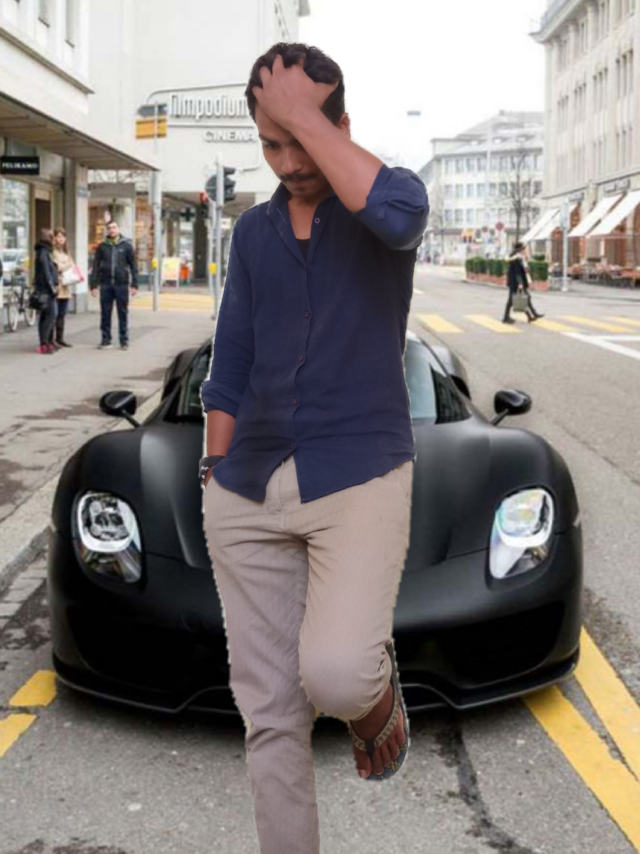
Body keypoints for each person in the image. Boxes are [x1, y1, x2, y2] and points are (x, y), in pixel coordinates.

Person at [200, 43, 429, 854]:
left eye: (302, 138)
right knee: (269, 716)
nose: (290, 163)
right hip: (246, 487)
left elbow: (400, 216)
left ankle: (378, 702)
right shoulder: (252, 234)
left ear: (341, 126)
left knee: (336, 674)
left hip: (358, 474)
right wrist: (213, 471)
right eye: (271, 143)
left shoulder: (386, 201)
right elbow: (230, 360)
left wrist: (302, 114)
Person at [89, 220, 138, 350]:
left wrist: (134, 284)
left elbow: (133, 266)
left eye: (114, 227)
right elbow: (95, 266)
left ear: (118, 229)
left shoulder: (127, 246)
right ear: (107, 230)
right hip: (106, 285)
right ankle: (106, 340)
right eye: (109, 228)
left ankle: (124, 341)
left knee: (123, 313)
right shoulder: (102, 246)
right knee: (105, 313)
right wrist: (93, 285)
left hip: (121, 285)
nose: (112, 230)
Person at [503, 241, 544, 324]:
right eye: (525, 249)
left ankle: (532, 315)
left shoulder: (519, 257)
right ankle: (506, 318)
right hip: (515, 282)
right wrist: (520, 283)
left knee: (525, 298)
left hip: (517, 282)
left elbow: (524, 269)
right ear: (521, 249)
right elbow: (517, 272)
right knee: (513, 300)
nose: (526, 250)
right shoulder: (516, 258)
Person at [33, 229, 59, 355]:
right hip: (46, 290)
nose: (54, 240)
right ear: (48, 238)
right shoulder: (43, 252)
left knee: (45, 316)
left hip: (43, 289)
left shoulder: (43, 251)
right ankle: (44, 343)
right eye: (52, 237)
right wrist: (52, 288)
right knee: (50, 315)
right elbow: (46, 272)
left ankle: (46, 343)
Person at [51, 227, 77, 348]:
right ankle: (50, 340)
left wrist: (65, 265)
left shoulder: (66, 252)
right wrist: (67, 265)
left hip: (66, 287)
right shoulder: (53, 252)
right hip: (57, 286)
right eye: (58, 236)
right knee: (54, 314)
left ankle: (60, 338)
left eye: (63, 237)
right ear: (55, 238)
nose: (61, 239)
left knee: (62, 314)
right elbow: (58, 268)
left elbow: (73, 266)